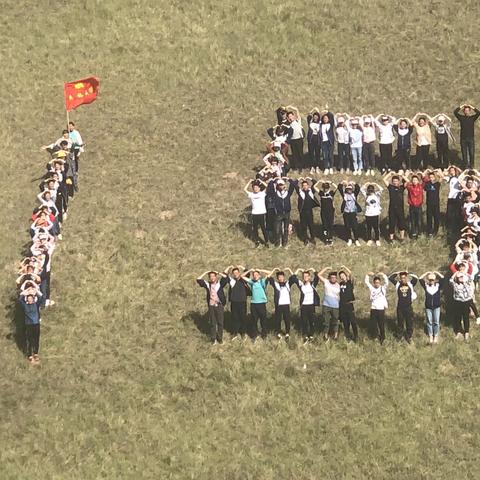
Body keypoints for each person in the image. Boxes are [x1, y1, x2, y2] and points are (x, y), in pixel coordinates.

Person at [196, 271, 228, 345]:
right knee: (213, 323)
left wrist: (218, 272)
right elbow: (198, 279)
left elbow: (226, 278)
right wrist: (206, 272)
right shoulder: (208, 285)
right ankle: (213, 339)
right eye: (210, 276)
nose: (212, 278)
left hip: (219, 305)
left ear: (216, 277)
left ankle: (220, 338)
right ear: (209, 278)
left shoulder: (220, 284)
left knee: (220, 322)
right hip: (211, 306)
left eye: (213, 276)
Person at [291, 268, 320, 343]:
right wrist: (298, 270)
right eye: (304, 276)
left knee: (311, 321)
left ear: (309, 277)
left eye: (307, 276)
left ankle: (311, 335)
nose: (305, 277)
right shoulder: (301, 285)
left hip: (311, 306)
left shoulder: (312, 284)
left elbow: (317, 277)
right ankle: (305, 336)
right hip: (304, 306)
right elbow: (294, 278)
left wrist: (313, 269)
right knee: (304, 322)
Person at [389, 271, 418, 343]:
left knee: (409, 322)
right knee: (400, 322)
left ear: (406, 278)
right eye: (401, 278)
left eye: (404, 278)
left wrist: (409, 273)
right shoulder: (397, 284)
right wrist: (398, 272)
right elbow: (390, 278)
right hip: (400, 307)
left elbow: (415, 278)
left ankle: (409, 336)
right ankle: (399, 336)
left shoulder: (410, 284)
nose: (403, 279)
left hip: (408, 307)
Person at [267, 177, 295, 248]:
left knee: (285, 230)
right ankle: (277, 244)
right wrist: (273, 181)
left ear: (284, 185)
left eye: (282, 185)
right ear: (277, 185)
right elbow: (270, 188)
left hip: (286, 214)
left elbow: (293, 185)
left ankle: (284, 244)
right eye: (279, 185)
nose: (281, 186)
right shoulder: (275, 194)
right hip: (278, 214)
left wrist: (289, 179)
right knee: (277, 230)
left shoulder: (287, 193)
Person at [268, 268, 295, 340]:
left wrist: (289, 269)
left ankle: (287, 333)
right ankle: (278, 333)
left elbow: (294, 277)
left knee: (287, 319)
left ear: (284, 277)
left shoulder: (287, 283)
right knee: (278, 319)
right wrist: (274, 270)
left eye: (282, 277)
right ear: (277, 278)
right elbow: (268, 277)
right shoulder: (276, 284)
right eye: (279, 277)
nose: (280, 278)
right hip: (279, 305)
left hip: (286, 304)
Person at [242, 269, 270, 340]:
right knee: (254, 320)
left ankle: (264, 335)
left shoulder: (262, 281)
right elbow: (242, 276)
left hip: (261, 304)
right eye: (254, 275)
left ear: (259, 276)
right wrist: (250, 271)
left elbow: (269, 272)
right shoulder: (252, 282)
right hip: (254, 304)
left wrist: (260, 270)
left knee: (263, 320)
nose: (255, 276)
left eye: (257, 275)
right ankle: (254, 335)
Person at [419, 271, 445, 344]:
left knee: (436, 322)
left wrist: (436, 273)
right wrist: (427, 273)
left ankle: (435, 335)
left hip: (437, 307)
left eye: (432, 280)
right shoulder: (426, 286)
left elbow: (443, 278)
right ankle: (431, 335)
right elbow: (420, 279)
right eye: (430, 280)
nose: (431, 281)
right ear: (428, 280)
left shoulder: (438, 286)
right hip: (428, 307)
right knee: (429, 322)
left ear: (435, 280)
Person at [225, 265, 249, 340]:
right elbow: (225, 275)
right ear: (232, 274)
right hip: (234, 302)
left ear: (239, 273)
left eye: (237, 272)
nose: (235, 274)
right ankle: (234, 333)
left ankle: (243, 333)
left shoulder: (243, 279)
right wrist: (228, 267)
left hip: (242, 302)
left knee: (243, 318)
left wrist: (241, 266)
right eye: (234, 273)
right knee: (235, 318)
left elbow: (247, 272)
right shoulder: (232, 281)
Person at [293, 177, 319, 245]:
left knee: (311, 226)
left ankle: (312, 238)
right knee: (303, 226)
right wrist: (299, 179)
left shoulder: (311, 191)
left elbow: (315, 182)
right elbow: (294, 184)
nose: (305, 186)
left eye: (306, 185)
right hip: (302, 212)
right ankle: (305, 239)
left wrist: (309, 178)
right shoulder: (300, 192)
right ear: (302, 186)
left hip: (309, 211)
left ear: (308, 185)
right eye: (303, 185)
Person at [450, 270, 475, 341]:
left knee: (466, 318)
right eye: (459, 277)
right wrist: (456, 273)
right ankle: (458, 332)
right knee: (458, 317)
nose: (460, 278)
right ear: (457, 278)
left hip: (466, 302)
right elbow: (451, 280)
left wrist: (465, 273)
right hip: (458, 302)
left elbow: (471, 278)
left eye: (461, 277)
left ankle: (466, 332)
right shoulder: (454, 284)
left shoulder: (466, 283)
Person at [365, 272, 389, 344]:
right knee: (374, 324)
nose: (377, 284)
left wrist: (383, 274)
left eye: (378, 282)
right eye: (375, 282)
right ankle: (375, 337)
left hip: (381, 309)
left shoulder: (383, 288)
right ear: (374, 283)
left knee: (381, 324)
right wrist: (368, 275)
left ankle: (383, 338)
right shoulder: (372, 288)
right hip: (373, 309)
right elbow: (366, 282)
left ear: (380, 283)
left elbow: (387, 282)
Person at [454, 103, 480, 168]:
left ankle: (471, 166)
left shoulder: (472, 118)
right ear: (464, 111)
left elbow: (478, 113)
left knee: (471, 153)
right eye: (465, 110)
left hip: (471, 138)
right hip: (463, 139)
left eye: (468, 110)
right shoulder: (461, 118)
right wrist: (462, 106)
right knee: (464, 153)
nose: (466, 111)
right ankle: (466, 166)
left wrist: (472, 106)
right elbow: (455, 112)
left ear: (469, 111)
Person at [318, 267, 341, 341]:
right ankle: (325, 335)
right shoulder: (326, 282)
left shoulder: (339, 285)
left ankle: (335, 335)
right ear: (329, 278)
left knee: (335, 321)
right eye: (332, 278)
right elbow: (319, 275)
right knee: (326, 321)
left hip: (335, 306)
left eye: (335, 278)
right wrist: (326, 268)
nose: (333, 279)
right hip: (326, 305)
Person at [18, 293, 42, 364]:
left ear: (33, 299)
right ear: (27, 300)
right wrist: (25, 293)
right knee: (29, 340)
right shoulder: (25, 306)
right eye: (29, 299)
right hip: (29, 325)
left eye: (31, 298)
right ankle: (29, 355)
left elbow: (41, 298)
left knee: (36, 339)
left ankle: (36, 353)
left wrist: (36, 291)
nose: (30, 299)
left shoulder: (36, 305)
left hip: (36, 324)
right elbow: (20, 300)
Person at [244, 179, 268, 247]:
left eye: (257, 187)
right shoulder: (251, 194)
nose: (256, 189)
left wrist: (260, 181)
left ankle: (266, 241)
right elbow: (245, 189)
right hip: (254, 213)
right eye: (254, 188)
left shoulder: (262, 193)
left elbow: (267, 186)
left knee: (263, 228)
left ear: (259, 188)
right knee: (255, 229)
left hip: (262, 213)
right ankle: (257, 242)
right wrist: (249, 182)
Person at [383, 171, 406, 242]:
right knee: (391, 223)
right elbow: (384, 179)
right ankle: (391, 239)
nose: (395, 182)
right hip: (392, 209)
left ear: (399, 181)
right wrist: (390, 174)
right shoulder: (390, 187)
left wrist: (401, 175)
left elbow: (408, 182)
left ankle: (402, 238)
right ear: (392, 182)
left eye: (396, 181)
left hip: (400, 209)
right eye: (394, 181)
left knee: (401, 223)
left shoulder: (402, 187)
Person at [338, 181, 361, 246]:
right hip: (346, 213)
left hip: (353, 213)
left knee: (355, 227)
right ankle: (349, 239)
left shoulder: (354, 195)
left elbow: (358, 188)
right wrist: (342, 183)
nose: (349, 190)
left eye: (350, 189)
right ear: (346, 189)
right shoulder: (344, 195)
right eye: (348, 189)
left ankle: (356, 239)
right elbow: (339, 188)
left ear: (352, 189)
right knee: (347, 227)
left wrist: (354, 183)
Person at [338, 266, 358, 342]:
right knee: (345, 323)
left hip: (349, 304)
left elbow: (351, 273)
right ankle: (348, 337)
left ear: (345, 276)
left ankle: (356, 336)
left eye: (343, 275)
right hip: (342, 305)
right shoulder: (340, 284)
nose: (342, 277)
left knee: (353, 321)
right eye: (340, 276)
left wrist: (344, 267)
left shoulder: (349, 282)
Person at [315, 180, 337, 245]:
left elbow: (336, 187)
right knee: (325, 225)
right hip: (323, 212)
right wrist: (319, 181)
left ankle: (330, 238)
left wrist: (331, 182)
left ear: (329, 188)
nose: (325, 189)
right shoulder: (321, 193)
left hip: (330, 212)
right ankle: (326, 239)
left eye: (327, 188)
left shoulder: (331, 193)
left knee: (330, 225)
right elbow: (314, 187)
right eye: (324, 188)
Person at [443, 165, 463, 236]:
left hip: (457, 197)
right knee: (449, 214)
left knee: (457, 214)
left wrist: (455, 167)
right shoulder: (450, 178)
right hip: (450, 197)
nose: (451, 172)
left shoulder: (460, 177)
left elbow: (462, 172)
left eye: (453, 170)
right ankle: (450, 228)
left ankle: (457, 228)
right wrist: (448, 168)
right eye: (450, 171)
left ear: (455, 171)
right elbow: (442, 175)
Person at [422, 169, 442, 236]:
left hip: (436, 204)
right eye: (430, 177)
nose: (431, 178)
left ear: (434, 177)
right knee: (429, 218)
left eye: (432, 177)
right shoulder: (427, 184)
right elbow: (423, 176)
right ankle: (429, 231)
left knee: (436, 217)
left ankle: (435, 231)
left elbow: (442, 177)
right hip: (429, 203)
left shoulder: (437, 184)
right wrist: (427, 170)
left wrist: (438, 171)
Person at [405, 174, 424, 239]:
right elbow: (406, 182)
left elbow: (425, 180)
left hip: (419, 206)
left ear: (418, 181)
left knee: (419, 221)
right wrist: (405, 174)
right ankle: (413, 233)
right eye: (413, 180)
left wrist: (422, 173)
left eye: (416, 180)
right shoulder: (410, 187)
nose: (415, 181)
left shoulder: (421, 186)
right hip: (412, 206)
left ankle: (419, 233)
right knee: (412, 221)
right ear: (412, 181)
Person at [320, 109, 335, 174]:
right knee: (325, 155)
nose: (325, 119)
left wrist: (328, 111)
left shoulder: (330, 124)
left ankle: (331, 167)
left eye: (326, 118)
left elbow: (331, 116)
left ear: (328, 119)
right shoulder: (321, 125)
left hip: (330, 142)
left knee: (330, 155)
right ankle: (326, 167)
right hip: (323, 142)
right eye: (324, 118)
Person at [307, 109, 322, 173]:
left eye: (317, 116)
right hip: (311, 139)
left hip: (318, 140)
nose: (315, 117)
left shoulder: (320, 123)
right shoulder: (310, 122)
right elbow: (308, 116)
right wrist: (312, 110)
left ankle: (317, 166)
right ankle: (312, 166)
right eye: (314, 116)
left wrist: (318, 111)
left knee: (317, 153)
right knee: (311, 154)